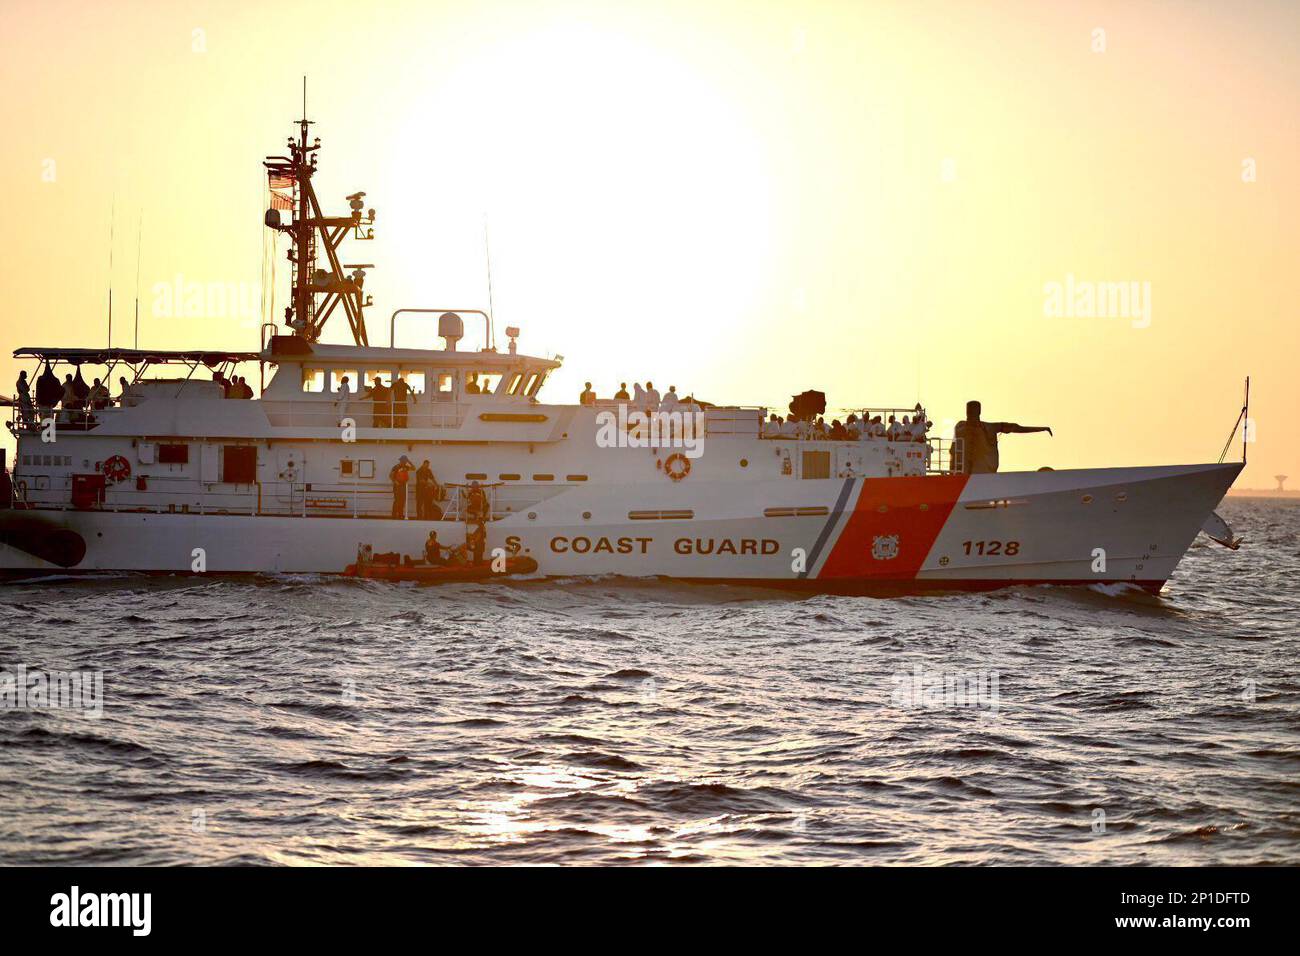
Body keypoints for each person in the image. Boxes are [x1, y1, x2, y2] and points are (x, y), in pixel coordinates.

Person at [953, 400, 1052, 474]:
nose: (972, 414)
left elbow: (1015, 427)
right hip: (966, 475)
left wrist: (1041, 428)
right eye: (971, 411)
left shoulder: (988, 427)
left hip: (983, 474)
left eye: (973, 411)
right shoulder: (961, 427)